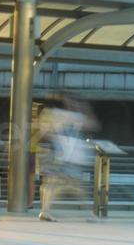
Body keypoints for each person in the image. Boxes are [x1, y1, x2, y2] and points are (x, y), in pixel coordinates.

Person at [35, 95, 95, 223]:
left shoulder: (46, 113)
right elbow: (91, 124)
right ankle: (88, 213)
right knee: (77, 184)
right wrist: (84, 108)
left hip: (47, 152)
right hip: (62, 154)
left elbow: (44, 133)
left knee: (49, 184)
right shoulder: (64, 115)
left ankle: (45, 211)